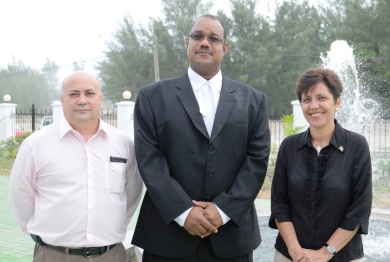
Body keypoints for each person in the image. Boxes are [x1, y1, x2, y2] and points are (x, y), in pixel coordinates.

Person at [131, 14, 271, 261]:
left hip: (231, 239)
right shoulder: (152, 97)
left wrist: (224, 210)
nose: (204, 42)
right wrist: (183, 212)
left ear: (224, 48)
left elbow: (256, 160)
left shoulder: (252, 100)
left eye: (214, 38)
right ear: (187, 43)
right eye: (198, 36)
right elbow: (149, 160)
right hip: (167, 238)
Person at [9, 71, 143, 262]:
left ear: (100, 99)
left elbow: (132, 195)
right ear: (62, 99)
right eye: (73, 94)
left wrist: (106, 231)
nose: (82, 100)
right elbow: (21, 199)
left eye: (89, 93)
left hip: (111, 256)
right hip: (54, 256)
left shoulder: (123, 145)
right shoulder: (35, 145)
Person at [269, 68, 372, 262]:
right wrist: (296, 252)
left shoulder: (357, 146)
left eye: (321, 98)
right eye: (306, 99)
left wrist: (324, 253)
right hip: (290, 256)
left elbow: (359, 209)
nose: (314, 105)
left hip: (342, 256)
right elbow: (280, 206)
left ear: (337, 102)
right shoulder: (289, 147)